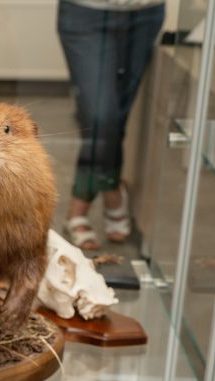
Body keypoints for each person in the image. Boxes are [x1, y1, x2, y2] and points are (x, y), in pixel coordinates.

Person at [57, 0, 165, 250]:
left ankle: (81, 204)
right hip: (86, 10)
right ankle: (108, 190)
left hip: (146, 11)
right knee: (100, 116)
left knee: (116, 118)